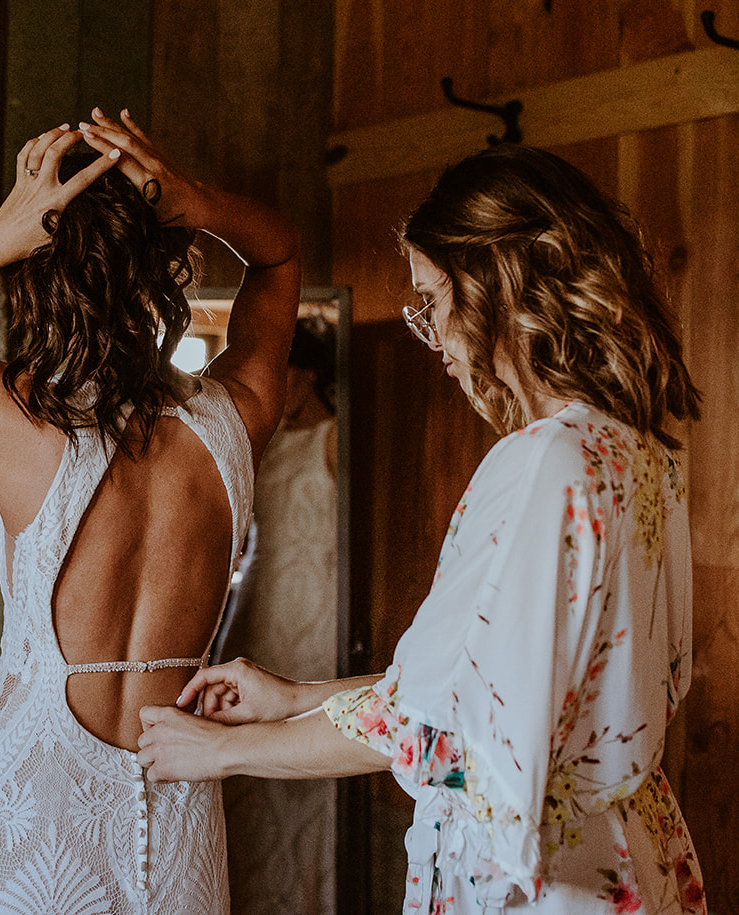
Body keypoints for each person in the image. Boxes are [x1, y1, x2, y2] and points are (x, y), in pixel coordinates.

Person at [138, 143, 709, 914]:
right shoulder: (639, 454)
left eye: (432, 300)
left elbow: (436, 730)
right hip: (623, 854)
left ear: (498, 284)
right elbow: (478, 692)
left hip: (536, 878)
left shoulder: (540, 462)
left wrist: (222, 750)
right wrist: (295, 696)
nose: (430, 333)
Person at [0, 109, 300, 914]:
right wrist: (200, 202)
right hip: (173, 807)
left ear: (40, 271)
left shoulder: (21, 427)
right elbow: (277, 255)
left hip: (30, 810)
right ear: (169, 266)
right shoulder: (234, 420)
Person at [215, 314, 340, 915]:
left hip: (315, 602)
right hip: (259, 598)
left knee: (303, 736)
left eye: (281, 371)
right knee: (246, 744)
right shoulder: (264, 442)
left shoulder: (334, 437)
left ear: (307, 375)